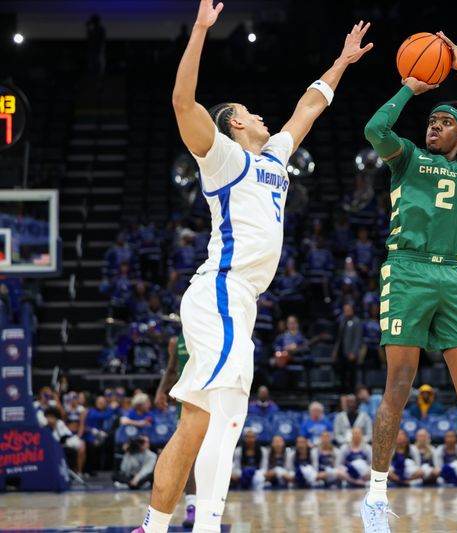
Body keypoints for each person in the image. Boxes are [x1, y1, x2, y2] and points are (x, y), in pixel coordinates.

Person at [135, 2, 372, 531]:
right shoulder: (223, 156)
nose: (265, 117)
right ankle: (206, 524)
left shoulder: (273, 158)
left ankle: (154, 526)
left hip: (237, 302)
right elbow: (181, 101)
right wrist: (199, 31)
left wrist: (342, 61)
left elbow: (308, 108)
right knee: (225, 414)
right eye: (252, 111)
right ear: (236, 122)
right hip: (220, 290)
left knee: (199, 421)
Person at [361, 30, 457, 533]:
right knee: (398, 385)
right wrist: (409, 90)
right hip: (406, 270)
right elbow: (374, 128)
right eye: (432, 122)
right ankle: (375, 499)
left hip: (453, 274)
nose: (434, 128)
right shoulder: (405, 157)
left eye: (444, 123)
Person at [153, 334, 197, 528]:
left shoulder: (211, 329)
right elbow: (172, 370)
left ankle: (210, 508)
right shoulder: (176, 341)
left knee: (208, 456)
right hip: (186, 403)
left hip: (211, 399)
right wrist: (161, 391)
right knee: (189, 457)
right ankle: (192, 506)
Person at [332, 303, 364, 392]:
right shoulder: (342, 321)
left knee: (351, 374)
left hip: (351, 352)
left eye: (348, 310)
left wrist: (354, 352)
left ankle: (352, 391)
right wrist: (335, 351)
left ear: (352, 310)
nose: (347, 312)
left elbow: (358, 338)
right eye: (345, 310)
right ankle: (343, 391)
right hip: (342, 351)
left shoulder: (356, 321)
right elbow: (339, 338)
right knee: (342, 372)